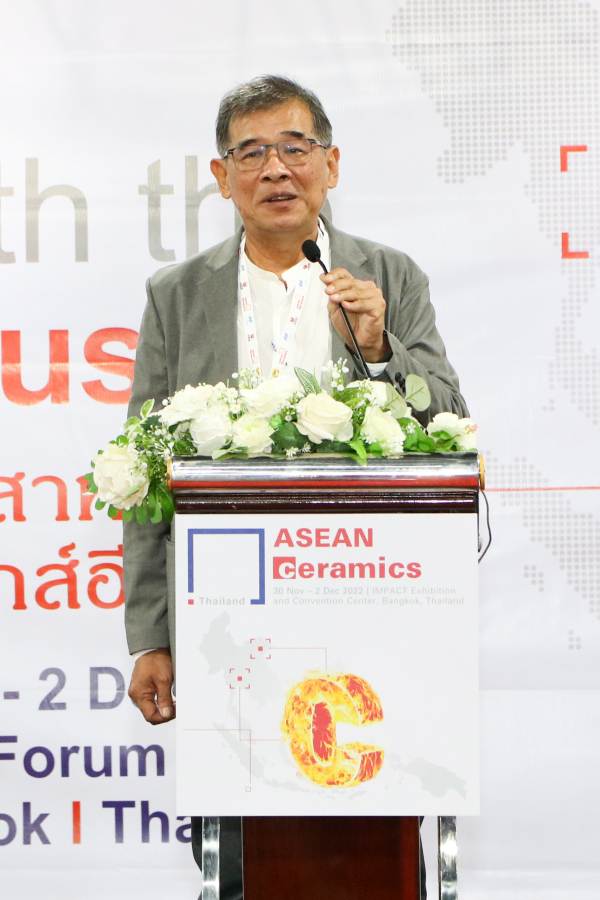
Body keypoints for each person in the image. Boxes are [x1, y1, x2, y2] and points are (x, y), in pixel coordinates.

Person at [125, 74, 468, 899]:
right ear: (223, 177)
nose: (276, 169)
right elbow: (146, 471)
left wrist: (380, 347)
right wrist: (151, 634)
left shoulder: (389, 275)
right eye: (252, 153)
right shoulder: (177, 296)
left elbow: (449, 420)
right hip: (228, 615)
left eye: (295, 147)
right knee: (241, 841)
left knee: (375, 814)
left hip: (371, 602)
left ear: (331, 164)